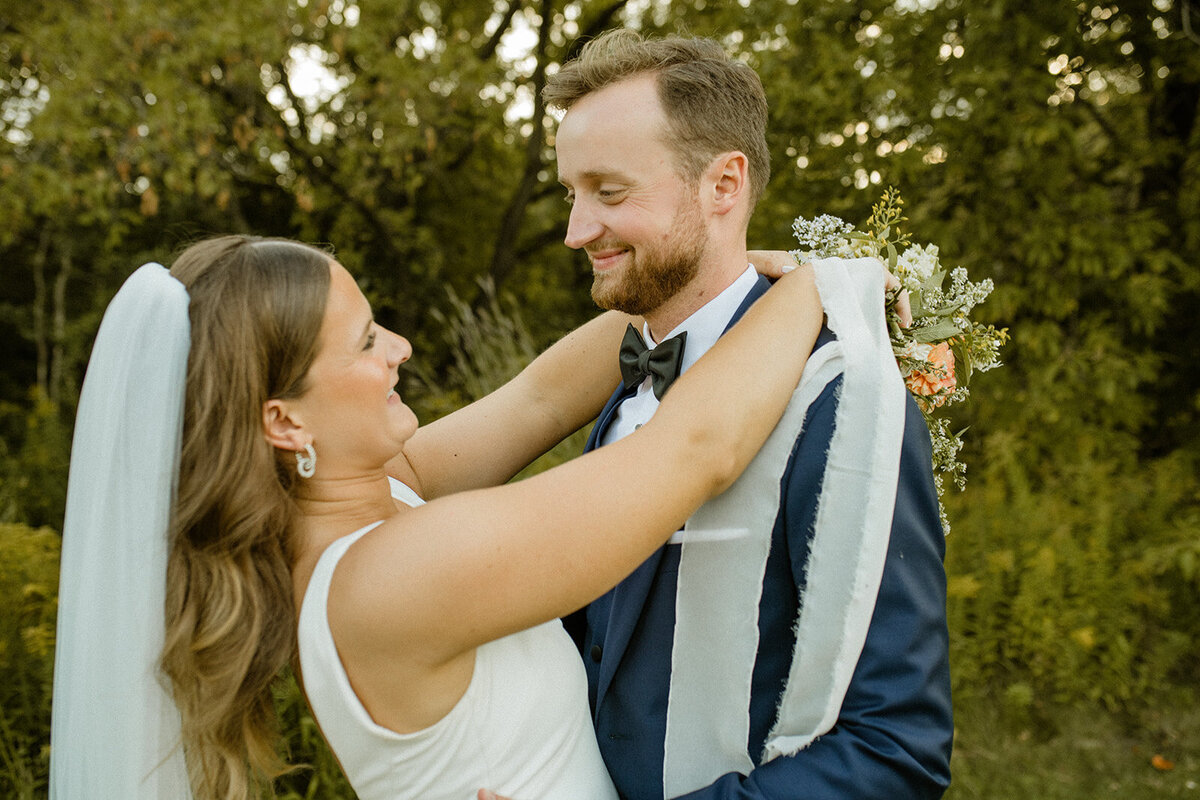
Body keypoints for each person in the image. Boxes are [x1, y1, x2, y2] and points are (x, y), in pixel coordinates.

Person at [48, 234, 826, 800]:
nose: (402, 346)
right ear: (285, 423)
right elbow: (695, 449)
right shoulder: (391, 578)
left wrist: (724, 282)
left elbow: (539, 399)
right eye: (364, 343)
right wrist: (825, 282)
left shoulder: (363, 502)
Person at [537, 29, 955, 799]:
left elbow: (897, 749)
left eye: (610, 192)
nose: (575, 231)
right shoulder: (620, 373)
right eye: (572, 193)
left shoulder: (835, 391)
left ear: (724, 184)